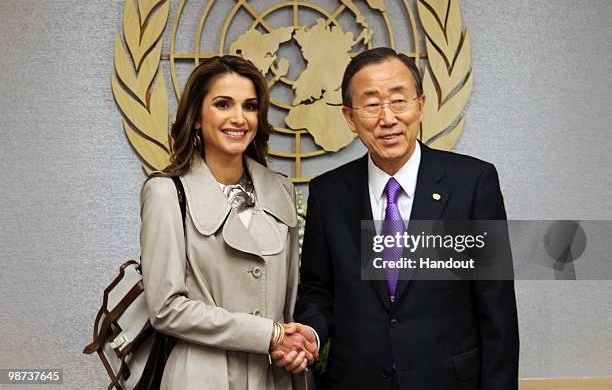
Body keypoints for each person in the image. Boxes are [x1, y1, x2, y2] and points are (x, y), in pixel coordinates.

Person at [279, 47, 519, 389]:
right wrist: (312, 333)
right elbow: (319, 289)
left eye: (398, 101)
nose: (387, 118)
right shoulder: (328, 193)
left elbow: (497, 309)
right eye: (372, 104)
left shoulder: (472, 184)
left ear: (420, 105)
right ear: (350, 117)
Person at [139, 55, 318, 390]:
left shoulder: (280, 188)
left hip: (274, 376)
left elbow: (290, 302)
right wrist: (269, 334)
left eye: (249, 106)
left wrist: (295, 345)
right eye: (223, 104)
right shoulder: (166, 192)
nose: (239, 118)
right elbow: (165, 308)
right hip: (202, 376)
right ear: (196, 117)